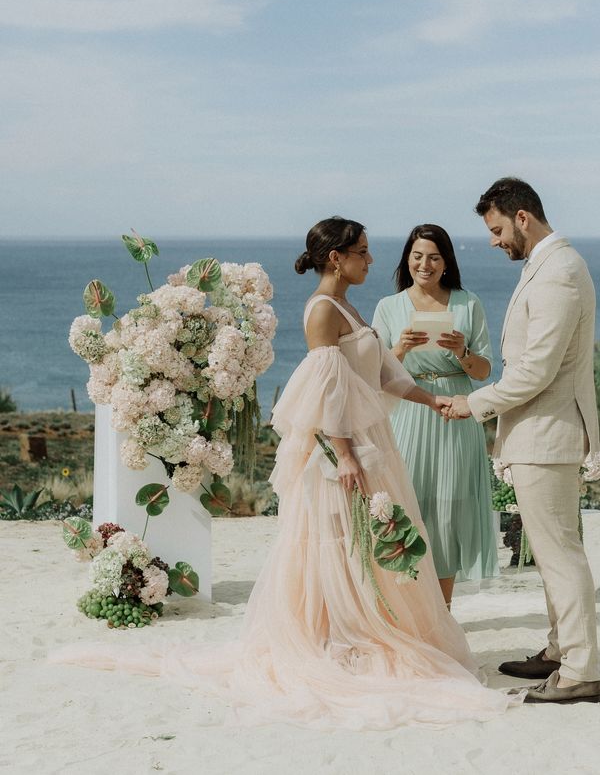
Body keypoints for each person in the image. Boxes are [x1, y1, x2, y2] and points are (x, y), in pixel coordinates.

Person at [54, 216, 523, 728]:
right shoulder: (322, 311)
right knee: (339, 543)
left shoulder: (347, 304)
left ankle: (362, 629)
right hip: (344, 449)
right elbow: (325, 395)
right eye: (362, 252)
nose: (371, 260)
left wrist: (435, 401)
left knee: (366, 543)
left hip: (373, 439)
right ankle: (337, 638)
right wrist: (345, 456)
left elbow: (384, 374)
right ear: (335, 258)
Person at [445, 178, 600, 704]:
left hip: (549, 432)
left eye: (496, 229)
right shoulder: (548, 265)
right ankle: (561, 651)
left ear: (522, 217)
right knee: (556, 550)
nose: (493, 240)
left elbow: (536, 369)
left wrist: (475, 402)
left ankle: (581, 670)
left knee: (560, 554)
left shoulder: (558, 270)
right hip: (540, 431)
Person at [372, 224, 498, 608]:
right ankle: (407, 609)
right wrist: (399, 349)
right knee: (407, 509)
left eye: (434, 257)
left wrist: (462, 352)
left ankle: (441, 613)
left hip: (456, 417)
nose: (424, 264)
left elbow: (483, 372)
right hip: (409, 413)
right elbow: (376, 373)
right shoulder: (388, 307)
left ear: (446, 263)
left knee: (448, 513)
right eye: (417, 256)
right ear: (407, 260)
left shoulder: (467, 303)